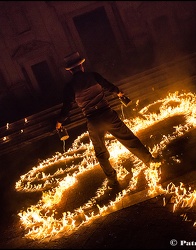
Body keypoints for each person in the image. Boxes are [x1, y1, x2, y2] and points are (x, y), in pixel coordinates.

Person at [56, 52, 160, 187]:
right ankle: (150, 161)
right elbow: (108, 85)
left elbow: (67, 107)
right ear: (81, 65)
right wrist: (119, 93)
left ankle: (112, 180)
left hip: (94, 121)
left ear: (70, 71)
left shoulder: (70, 87)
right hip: (108, 115)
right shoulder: (93, 75)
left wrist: (59, 122)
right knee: (129, 139)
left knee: (101, 153)